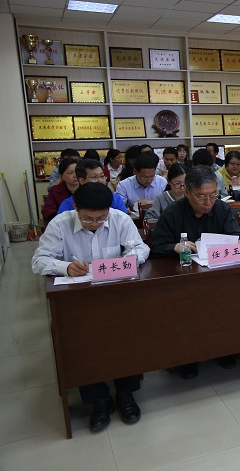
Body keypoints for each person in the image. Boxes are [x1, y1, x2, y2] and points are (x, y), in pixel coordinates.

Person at [32, 182, 149, 432]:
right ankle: (98, 399)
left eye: (100, 218)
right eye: (87, 218)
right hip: (78, 299)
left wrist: (130, 259)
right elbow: (39, 261)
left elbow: (140, 247)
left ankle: (126, 393)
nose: (94, 223)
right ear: (75, 207)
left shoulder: (119, 219)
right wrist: (65, 267)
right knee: (81, 342)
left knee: (129, 334)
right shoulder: (60, 224)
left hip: (116, 295)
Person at [150, 166, 240, 378]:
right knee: (187, 310)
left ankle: (223, 349)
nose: (208, 202)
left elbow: (236, 234)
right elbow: (156, 248)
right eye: (202, 197)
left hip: (218, 276)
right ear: (187, 192)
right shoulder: (172, 213)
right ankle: (188, 357)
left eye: (213, 195)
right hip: (184, 280)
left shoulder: (221, 209)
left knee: (229, 303)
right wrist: (175, 247)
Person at [57, 159, 127, 215]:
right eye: (94, 177)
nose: (100, 181)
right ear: (81, 180)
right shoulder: (68, 204)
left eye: (102, 176)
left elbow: (124, 223)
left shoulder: (115, 199)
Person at [42, 157, 79, 224]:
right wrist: (59, 218)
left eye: (77, 172)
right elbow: (47, 210)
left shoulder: (87, 188)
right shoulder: (55, 190)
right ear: (61, 176)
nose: (75, 176)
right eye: (70, 173)